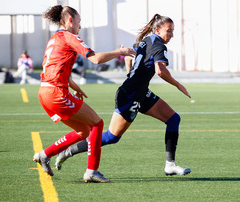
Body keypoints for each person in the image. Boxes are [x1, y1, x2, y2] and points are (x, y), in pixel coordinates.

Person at [56, 14, 192, 176]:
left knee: (173, 119)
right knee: (111, 137)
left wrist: (132, 70)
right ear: (157, 30)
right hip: (131, 95)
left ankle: (170, 165)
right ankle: (68, 151)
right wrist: (178, 85)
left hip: (140, 92)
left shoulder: (147, 40)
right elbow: (160, 71)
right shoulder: (159, 46)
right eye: (168, 31)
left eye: (172, 31)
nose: (171, 35)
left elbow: (134, 57)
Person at [33, 5, 135, 183]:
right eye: (79, 22)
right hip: (56, 93)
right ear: (70, 21)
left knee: (83, 130)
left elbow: (55, 68)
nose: (80, 26)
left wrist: (75, 86)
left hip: (44, 92)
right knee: (97, 123)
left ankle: (44, 155)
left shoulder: (55, 38)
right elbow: (95, 59)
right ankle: (92, 171)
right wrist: (120, 52)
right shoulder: (70, 37)